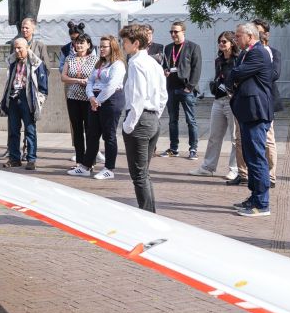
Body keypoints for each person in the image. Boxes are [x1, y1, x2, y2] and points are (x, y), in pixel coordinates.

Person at [227, 23, 275, 217]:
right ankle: (254, 197)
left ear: (250, 35)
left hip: (256, 112)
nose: (236, 39)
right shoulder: (245, 53)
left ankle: (262, 203)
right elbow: (234, 72)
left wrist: (235, 76)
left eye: (238, 36)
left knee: (256, 158)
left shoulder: (259, 53)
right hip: (246, 111)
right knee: (249, 157)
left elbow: (236, 73)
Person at [120, 24, 167, 212]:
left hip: (140, 120)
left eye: (125, 42)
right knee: (143, 174)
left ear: (136, 43)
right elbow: (163, 95)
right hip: (152, 119)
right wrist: (156, 115)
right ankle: (149, 212)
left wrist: (129, 124)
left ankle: (148, 214)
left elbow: (138, 97)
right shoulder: (153, 63)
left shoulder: (136, 63)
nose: (123, 45)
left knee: (139, 175)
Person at [192, 31, 240, 179]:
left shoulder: (238, 60)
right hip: (218, 101)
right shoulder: (218, 60)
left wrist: (231, 89)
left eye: (224, 41)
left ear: (232, 43)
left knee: (234, 137)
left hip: (232, 100)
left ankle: (234, 169)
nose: (221, 43)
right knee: (214, 135)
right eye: (220, 41)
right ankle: (208, 167)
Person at [0, 37, 48, 169]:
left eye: (19, 48)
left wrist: (39, 102)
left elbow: (43, 87)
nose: (17, 50)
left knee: (30, 130)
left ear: (27, 48)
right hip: (14, 98)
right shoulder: (12, 62)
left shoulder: (36, 63)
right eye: (15, 48)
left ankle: (31, 159)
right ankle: (14, 158)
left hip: (28, 99)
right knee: (13, 131)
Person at [84, 34, 126, 180]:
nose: (101, 49)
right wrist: (91, 97)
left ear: (112, 47)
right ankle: (86, 165)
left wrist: (98, 100)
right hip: (95, 99)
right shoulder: (99, 64)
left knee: (109, 135)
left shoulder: (118, 65)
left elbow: (111, 86)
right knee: (92, 134)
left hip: (110, 101)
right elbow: (90, 81)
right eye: (100, 46)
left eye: (104, 46)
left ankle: (109, 168)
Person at [160, 21, 203, 160]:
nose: (173, 34)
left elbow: (197, 69)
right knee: (173, 120)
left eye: (176, 32)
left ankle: (193, 149)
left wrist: (189, 87)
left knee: (191, 120)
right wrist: (165, 71)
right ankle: (174, 148)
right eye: (171, 32)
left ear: (183, 31)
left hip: (186, 89)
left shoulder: (193, 47)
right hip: (171, 88)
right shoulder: (168, 48)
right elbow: (165, 66)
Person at [62, 34, 101, 176]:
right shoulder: (69, 58)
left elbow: (97, 77)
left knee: (90, 131)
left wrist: (87, 82)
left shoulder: (95, 59)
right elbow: (63, 77)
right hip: (73, 98)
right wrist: (78, 81)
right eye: (77, 43)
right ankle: (79, 161)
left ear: (88, 45)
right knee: (77, 130)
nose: (79, 45)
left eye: (82, 43)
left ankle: (90, 161)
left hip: (88, 99)